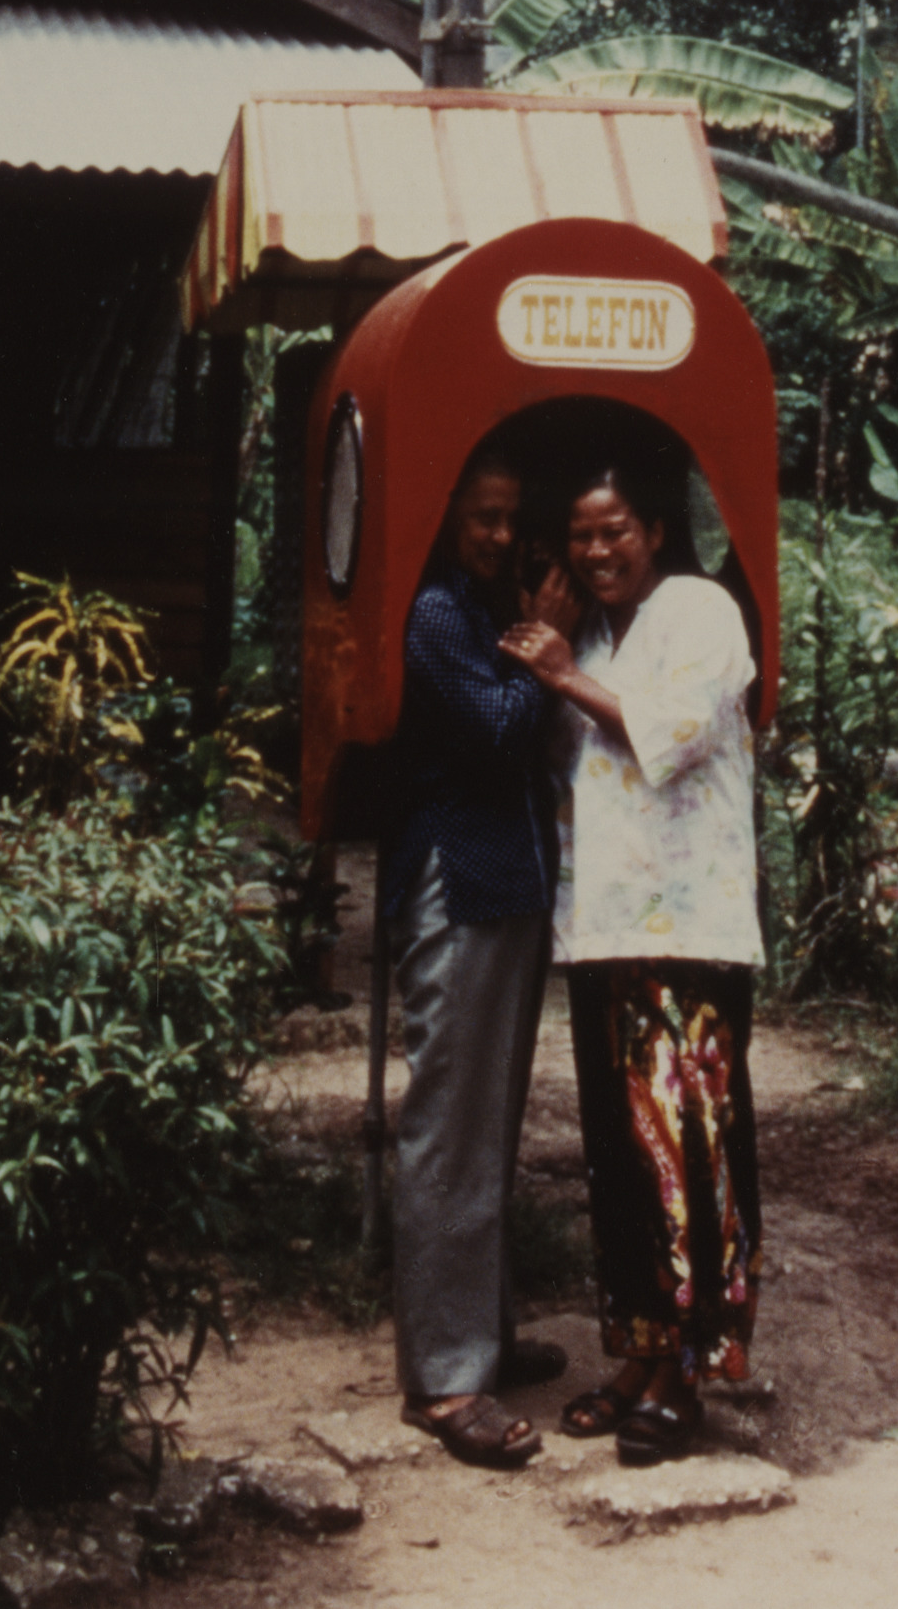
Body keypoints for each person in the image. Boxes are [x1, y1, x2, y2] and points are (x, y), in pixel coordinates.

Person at [498, 455, 762, 1468]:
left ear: (654, 528)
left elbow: (675, 731)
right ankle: (639, 1352)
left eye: (614, 530)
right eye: (581, 534)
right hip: (605, 931)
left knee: (686, 1155)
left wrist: (562, 671)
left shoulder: (701, 609)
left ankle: (688, 1369)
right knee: (620, 1157)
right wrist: (555, 653)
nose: (598, 550)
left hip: (687, 937)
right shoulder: (596, 631)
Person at [382, 444, 569, 1469]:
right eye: (482, 516)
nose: (498, 534)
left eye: (511, 516)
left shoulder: (490, 607)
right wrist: (555, 649)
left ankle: (481, 1332)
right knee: (451, 1123)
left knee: (488, 1118)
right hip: (457, 879)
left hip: (508, 883)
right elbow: (501, 730)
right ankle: (448, 1379)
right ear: (449, 511)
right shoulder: (437, 614)